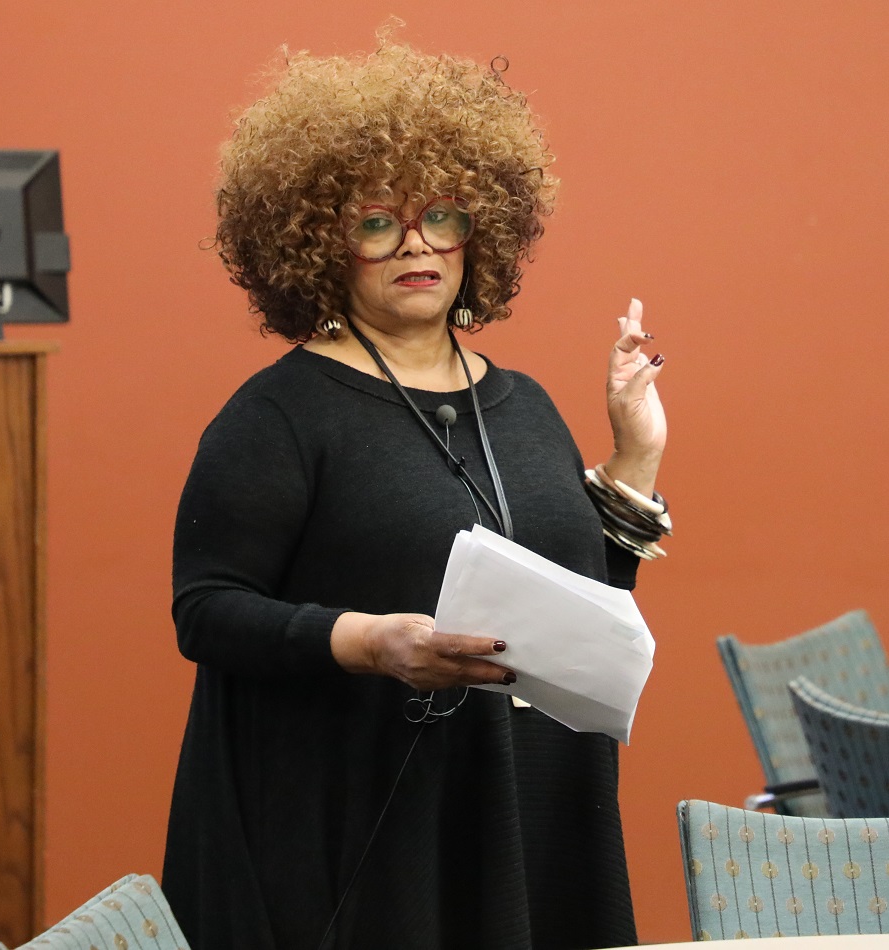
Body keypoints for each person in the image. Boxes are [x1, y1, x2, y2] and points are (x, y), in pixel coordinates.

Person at [161, 37, 668, 950]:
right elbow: (204, 612)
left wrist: (635, 454)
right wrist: (370, 642)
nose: (417, 246)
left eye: (441, 215)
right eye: (374, 224)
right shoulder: (280, 413)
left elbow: (590, 603)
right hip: (358, 837)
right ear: (319, 243)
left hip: (532, 809)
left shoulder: (525, 404)